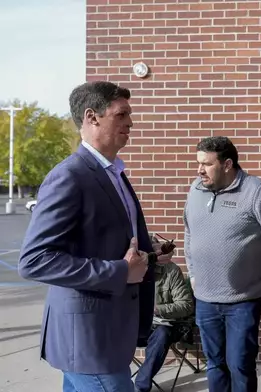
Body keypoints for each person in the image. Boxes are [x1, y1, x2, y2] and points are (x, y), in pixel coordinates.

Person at [18, 81, 162, 392]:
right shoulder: (69, 176)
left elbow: (109, 239)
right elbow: (34, 260)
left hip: (106, 334)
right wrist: (121, 271)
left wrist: (150, 254)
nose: (130, 122)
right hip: (89, 340)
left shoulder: (114, 173)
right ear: (91, 117)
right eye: (121, 114)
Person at [183, 136, 261, 392]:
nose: (199, 170)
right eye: (198, 163)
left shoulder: (255, 191)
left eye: (206, 164)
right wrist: (193, 272)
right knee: (215, 363)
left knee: (239, 364)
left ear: (227, 164)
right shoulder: (196, 189)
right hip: (206, 299)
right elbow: (189, 232)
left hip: (242, 300)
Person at [134, 235, 195, 392]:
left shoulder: (171, 271)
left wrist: (157, 309)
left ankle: (140, 387)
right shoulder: (131, 272)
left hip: (163, 325)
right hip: (135, 325)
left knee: (162, 334)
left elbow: (186, 305)